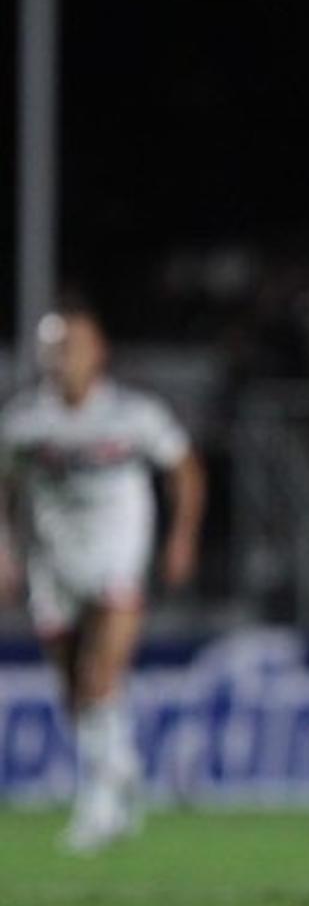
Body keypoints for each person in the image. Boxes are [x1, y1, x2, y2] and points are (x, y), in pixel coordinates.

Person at [0, 302, 205, 852]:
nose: (61, 358)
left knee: (98, 674)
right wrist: (5, 550)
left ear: (99, 354)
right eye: (55, 347)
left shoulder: (133, 415)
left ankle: (98, 802)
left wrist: (181, 538)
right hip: (53, 562)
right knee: (74, 691)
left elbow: (184, 470)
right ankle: (123, 768)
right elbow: (5, 484)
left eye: (73, 346)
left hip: (117, 553)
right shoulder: (24, 421)